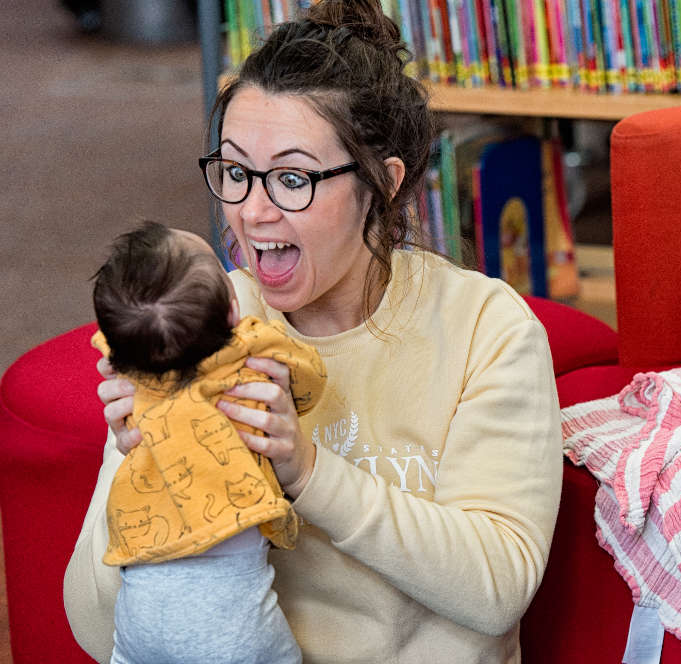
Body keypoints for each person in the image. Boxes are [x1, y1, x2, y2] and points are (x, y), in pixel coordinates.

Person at [64, 0, 562, 661]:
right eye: (236, 173)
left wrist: (307, 472)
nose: (252, 210)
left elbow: (498, 587)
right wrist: (136, 462)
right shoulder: (201, 318)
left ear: (382, 185)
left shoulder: (485, 329)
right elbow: (97, 631)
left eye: (293, 178)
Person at [91, 220, 324, 664]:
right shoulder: (248, 362)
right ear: (233, 317)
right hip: (228, 617)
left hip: (138, 610)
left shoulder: (126, 368)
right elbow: (309, 382)